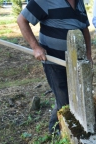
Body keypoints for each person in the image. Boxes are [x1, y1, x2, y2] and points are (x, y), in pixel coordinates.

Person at [17, 0, 92, 134]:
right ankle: (59, 133)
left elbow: (84, 28)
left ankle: (56, 128)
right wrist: (36, 47)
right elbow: (22, 20)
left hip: (75, 63)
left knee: (72, 98)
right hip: (54, 62)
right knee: (64, 99)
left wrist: (88, 55)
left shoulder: (79, 3)